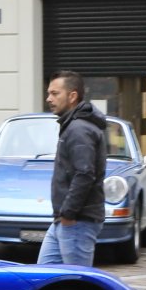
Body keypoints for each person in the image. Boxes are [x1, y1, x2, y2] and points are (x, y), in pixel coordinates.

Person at [38, 70, 106, 268]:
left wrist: (68, 214)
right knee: (45, 274)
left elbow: (84, 174)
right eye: (48, 93)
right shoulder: (72, 126)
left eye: (55, 93)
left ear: (72, 96)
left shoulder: (79, 129)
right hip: (65, 220)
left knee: (77, 280)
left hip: (77, 221)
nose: (49, 99)